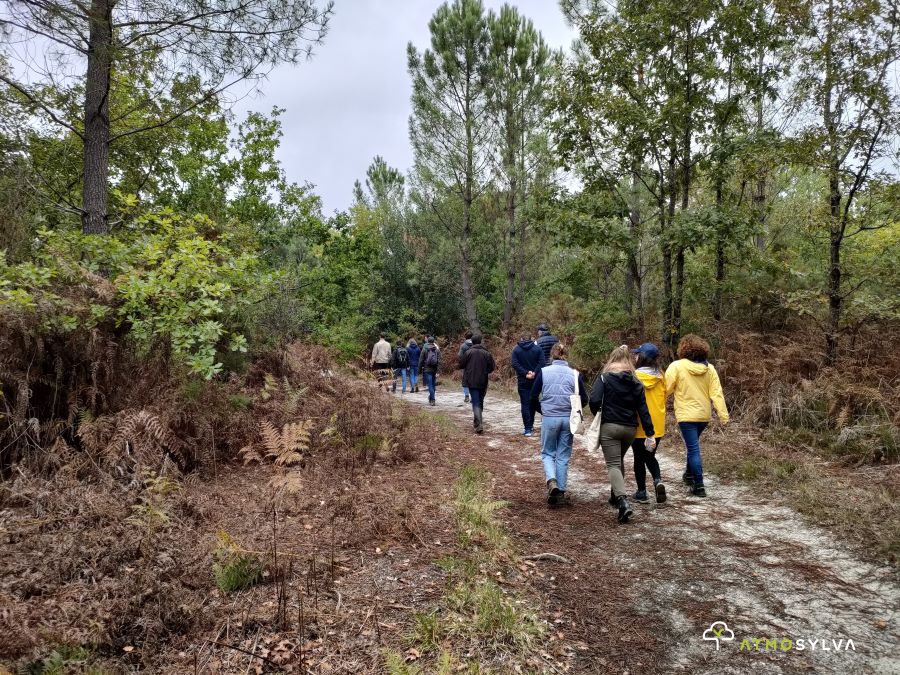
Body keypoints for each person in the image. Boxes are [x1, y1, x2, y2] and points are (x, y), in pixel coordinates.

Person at [589, 345, 655, 524]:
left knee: (613, 464)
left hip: (610, 426)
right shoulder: (635, 381)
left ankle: (622, 501)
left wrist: (599, 414)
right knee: (617, 461)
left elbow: (594, 400)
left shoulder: (604, 377)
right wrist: (650, 433)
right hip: (629, 429)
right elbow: (643, 409)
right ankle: (614, 495)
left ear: (612, 359)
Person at [665, 334, 729, 498]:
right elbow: (717, 393)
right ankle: (688, 474)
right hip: (703, 416)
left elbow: (666, 389)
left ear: (683, 349)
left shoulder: (677, 366)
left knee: (693, 449)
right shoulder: (710, 368)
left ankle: (699, 485)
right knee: (692, 446)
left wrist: (656, 406)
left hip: (686, 416)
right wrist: (723, 416)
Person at [530, 343, 588, 506]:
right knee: (563, 455)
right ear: (566, 355)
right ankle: (560, 492)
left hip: (549, 417)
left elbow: (532, 396)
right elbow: (584, 399)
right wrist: (573, 411)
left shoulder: (543, 372)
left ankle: (551, 481)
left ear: (551, 355)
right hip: (567, 419)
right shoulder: (575, 374)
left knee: (548, 453)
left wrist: (542, 410)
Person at [630, 343, 667, 504]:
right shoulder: (661, 375)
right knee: (650, 455)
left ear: (642, 358)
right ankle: (658, 480)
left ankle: (642, 492)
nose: (635, 357)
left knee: (639, 458)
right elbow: (665, 395)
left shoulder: (633, 376)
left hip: (638, 424)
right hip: (657, 425)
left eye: (637, 354)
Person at [458, 334, 495, 434]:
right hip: (483, 380)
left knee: (475, 401)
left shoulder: (468, 352)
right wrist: (485, 370)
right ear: (480, 341)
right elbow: (492, 367)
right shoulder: (486, 353)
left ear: (472, 342)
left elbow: (461, 364)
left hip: (471, 380)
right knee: (480, 400)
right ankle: (478, 422)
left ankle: (479, 424)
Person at [511, 333, 543, 436]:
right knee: (533, 401)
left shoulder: (516, 350)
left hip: (523, 380)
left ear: (521, 339)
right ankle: (535, 422)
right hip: (536, 380)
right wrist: (534, 372)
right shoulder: (537, 349)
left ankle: (528, 429)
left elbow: (515, 364)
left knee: (525, 403)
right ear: (531, 339)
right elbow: (542, 362)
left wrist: (525, 373)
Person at [418, 336, 441, 406]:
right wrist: (438, 371)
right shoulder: (437, 349)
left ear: (428, 341)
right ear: (434, 341)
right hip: (434, 369)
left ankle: (432, 399)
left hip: (427, 369)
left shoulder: (424, 349)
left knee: (430, 385)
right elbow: (439, 361)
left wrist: (419, 370)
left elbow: (421, 360)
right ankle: (431, 398)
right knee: (433, 384)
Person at [458, 331, 474, 403]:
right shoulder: (475, 344)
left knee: (465, 381)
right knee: (473, 380)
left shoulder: (463, 345)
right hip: (474, 365)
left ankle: (466, 396)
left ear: (465, 337)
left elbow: (460, 355)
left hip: (465, 366)